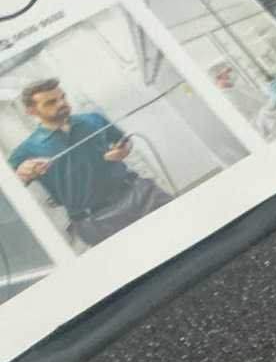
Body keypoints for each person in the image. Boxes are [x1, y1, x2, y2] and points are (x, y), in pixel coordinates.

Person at [7, 78, 171, 247]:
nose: (62, 103)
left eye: (62, 97)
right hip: (97, 222)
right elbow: (8, 190)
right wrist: (21, 175)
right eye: (51, 102)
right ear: (31, 111)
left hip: (142, 195)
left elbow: (123, 141)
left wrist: (123, 150)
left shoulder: (93, 119)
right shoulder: (26, 150)